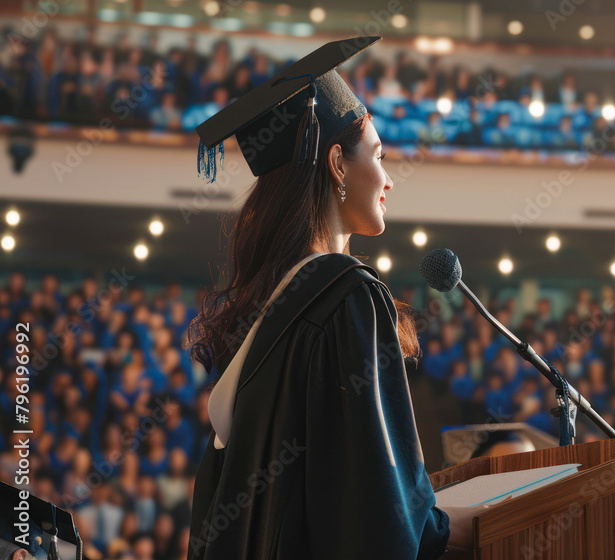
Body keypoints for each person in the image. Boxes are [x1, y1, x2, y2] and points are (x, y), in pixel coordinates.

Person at [185, 36, 483, 559]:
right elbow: (376, 504)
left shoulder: (262, 318)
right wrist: (469, 523)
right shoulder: (346, 295)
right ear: (338, 164)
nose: (389, 178)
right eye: (379, 155)